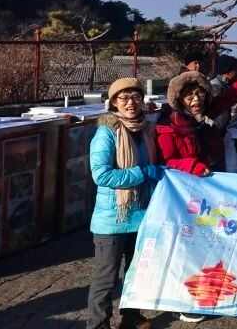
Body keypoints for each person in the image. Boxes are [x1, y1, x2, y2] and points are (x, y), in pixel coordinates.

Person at [87, 78, 165, 329]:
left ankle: (131, 318)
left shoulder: (146, 130)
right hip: (112, 219)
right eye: (124, 98)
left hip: (141, 215)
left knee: (136, 274)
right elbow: (102, 175)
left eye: (135, 97)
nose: (131, 103)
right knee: (106, 278)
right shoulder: (106, 132)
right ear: (113, 103)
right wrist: (142, 172)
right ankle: (98, 324)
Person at [156, 57, 237, 176]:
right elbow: (166, 161)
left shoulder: (208, 111)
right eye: (189, 96)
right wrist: (193, 166)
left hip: (213, 175)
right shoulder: (169, 126)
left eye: (200, 93)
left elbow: (235, 92)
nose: (196, 99)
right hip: (186, 181)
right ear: (180, 99)